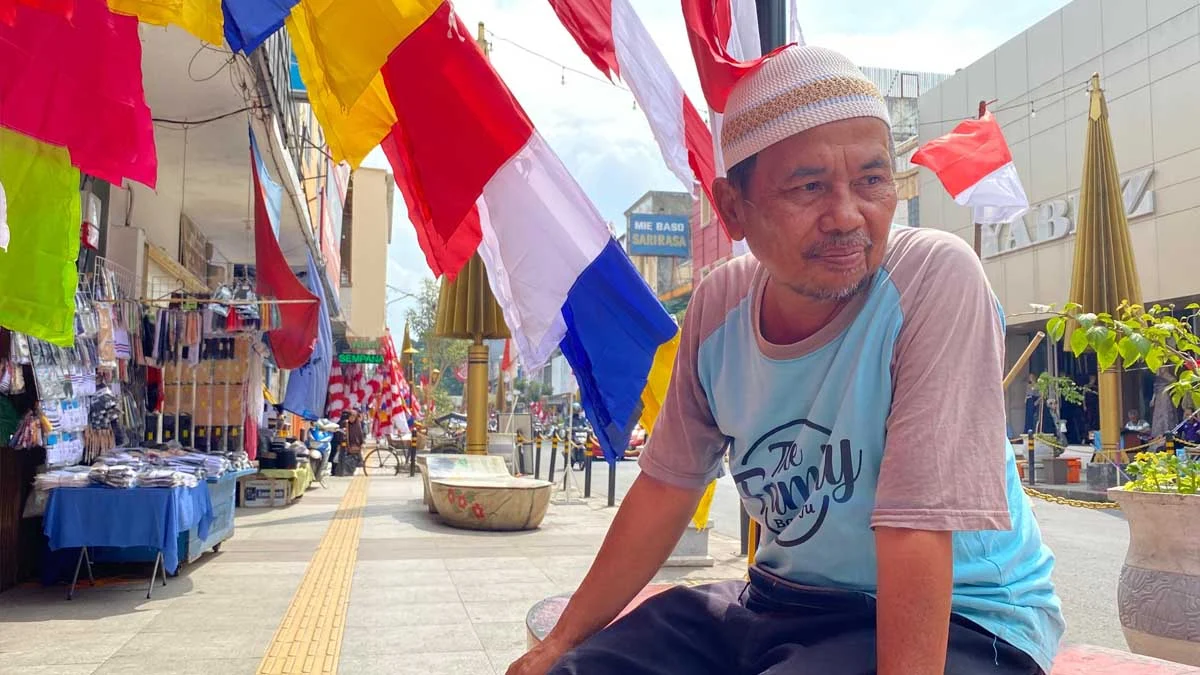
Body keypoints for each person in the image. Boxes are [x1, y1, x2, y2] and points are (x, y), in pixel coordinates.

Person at [507, 44, 1063, 675]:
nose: (847, 216)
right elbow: (666, 487)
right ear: (731, 208)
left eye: (872, 181)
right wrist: (559, 644)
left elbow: (916, 529)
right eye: (809, 187)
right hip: (781, 602)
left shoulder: (933, 279)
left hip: (966, 617)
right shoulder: (718, 307)